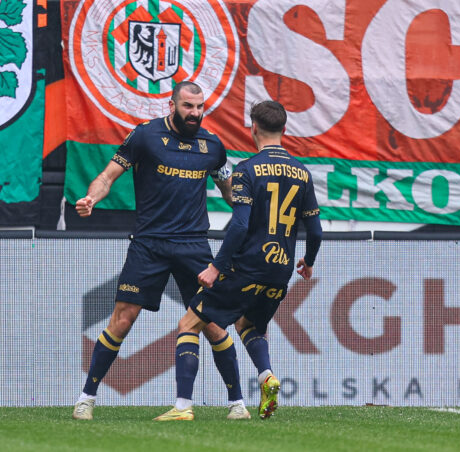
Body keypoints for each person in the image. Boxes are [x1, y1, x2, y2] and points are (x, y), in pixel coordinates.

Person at [72, 81, 250, 421]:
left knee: (213, 324)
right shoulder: (145, 136)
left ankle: (237, 405)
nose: (195, 113)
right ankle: (86, 399)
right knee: (122, 320)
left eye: (199, 107)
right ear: (172, 105)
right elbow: (107, 177)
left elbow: (231, 193)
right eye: (188, 106)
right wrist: (92, 197)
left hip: (193, 245)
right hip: (149, 244)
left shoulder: (213, 146)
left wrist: (253, 216)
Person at [153, 100, 322, 421]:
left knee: (189, 324)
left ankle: (182, 407)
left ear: (253, 128)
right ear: (285, 129)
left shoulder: (247, 169)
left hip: (247, 265)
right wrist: (309, 261)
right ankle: (266, 375)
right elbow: (315, 230)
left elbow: (241, 225)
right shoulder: (303, 173)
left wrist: (216, 267)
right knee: (249, 325)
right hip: (281, 269)